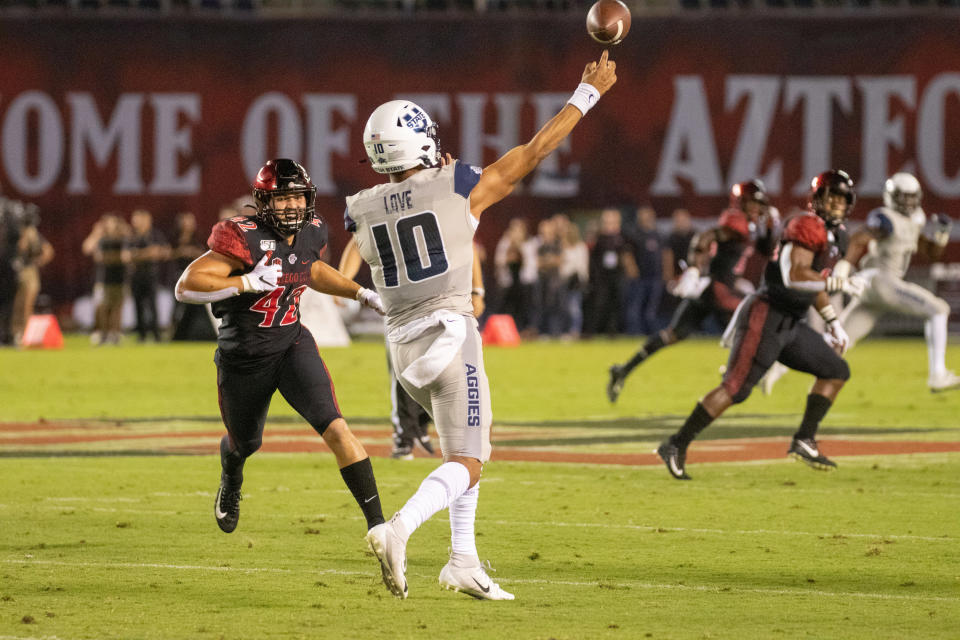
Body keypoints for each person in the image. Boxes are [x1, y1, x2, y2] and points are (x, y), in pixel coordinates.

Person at [350, 51, 616, 600]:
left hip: (401, 350)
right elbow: (535, 151)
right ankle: (398, 528)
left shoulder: (362, 207)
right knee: (470, 461)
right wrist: (586, 94)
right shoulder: (456, 183)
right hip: (449, 335)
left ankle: (463, 561)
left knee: (468, 445)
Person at [175, 158, 388, 536]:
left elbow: (311, 269)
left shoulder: (312, 231)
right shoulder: (240, 235)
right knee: (245, 443)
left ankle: (381, 529)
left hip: (291, 344)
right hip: (244, 358)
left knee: (337, 428)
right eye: (282, 198)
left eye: (298, 197)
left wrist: (360, 292)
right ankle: (232, 474)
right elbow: (186, 286)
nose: (292, 206)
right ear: (263, 202)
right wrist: (246, 283)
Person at [655, 170, 865, 480]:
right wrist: (839, 282)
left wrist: (833, 322)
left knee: (836, 370)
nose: (835, 205)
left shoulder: (838, 237)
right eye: (830, 198)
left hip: (790, 323)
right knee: (736, 389)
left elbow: (813, 284)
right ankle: (676, 444)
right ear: (817, 200)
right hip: (766, 315)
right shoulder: (805, 225)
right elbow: (796, 275)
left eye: (841, 200)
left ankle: (804, 439)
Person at [761, 173, 958, 394]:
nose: (908, 202)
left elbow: (930, 252)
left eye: (912, 197)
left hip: (875, 288)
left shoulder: (916, 218)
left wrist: (940, 235)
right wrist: (844, 267)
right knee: (939, 309)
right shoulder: (885, 218)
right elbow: (860, 238)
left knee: (838, 342)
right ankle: (938, 374)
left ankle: (777, 366)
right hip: (880, 280)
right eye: (903, 197)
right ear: (892, 197)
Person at [606, 180, 776, 402]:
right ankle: (742, 372)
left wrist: (771, 226)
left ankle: (623, 370)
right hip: (718, 289)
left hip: (708, 289)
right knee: (755, 320)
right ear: (741, 202)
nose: (756, 208)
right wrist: (694, 267)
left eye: (759, 204)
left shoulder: (752, 225)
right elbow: (705, 237)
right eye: (752, 203)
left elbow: (766, 249)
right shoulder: (736, 221)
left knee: (672, 335)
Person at [338, 236, 486, 459]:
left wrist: (477, 291)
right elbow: (358, 239)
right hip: (403, 303)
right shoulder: (386, 206)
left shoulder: (440, 205)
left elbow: (467, 241)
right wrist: (343, 282)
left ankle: (422, 427)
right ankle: (406, 435)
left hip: (439, 299)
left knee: (447, 366)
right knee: (405, 370)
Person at [82, 213, 130, 345]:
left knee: (117, 307)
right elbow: (87, 248)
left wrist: (107, 257)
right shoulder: (101, 239)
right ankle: (101, 333)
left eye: (111, 222)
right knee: (102, 307)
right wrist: (95, 233)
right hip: (102, 279)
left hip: (120, 278)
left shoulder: (122, 238)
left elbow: (125, 256)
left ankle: (114, 334)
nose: (109, 225)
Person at [11, 206, 54, 344]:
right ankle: (17, 332)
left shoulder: (31, 233)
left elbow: (48, 251)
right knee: (19, 303)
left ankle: (23, 333)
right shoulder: (23, 233)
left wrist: (38, 261)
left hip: (28, 270)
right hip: (22, 271)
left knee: (25, 304)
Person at [584, 208, 629, 337]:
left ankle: (612, 331)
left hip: (616, 277)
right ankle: (594, 331)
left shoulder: (623, 238)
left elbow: (626, 257)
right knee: (599, 304)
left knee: (615, 305)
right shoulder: (598, 239)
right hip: (601, 278)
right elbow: (592, 259)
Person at [623, 205, 665, 336]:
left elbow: (665, 254)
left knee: (651, 309)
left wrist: (666, 272)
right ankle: (634, 332)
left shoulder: (658, 234)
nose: (646, 218)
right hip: (639, 277)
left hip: (655, 277)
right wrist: (631, 269)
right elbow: (627, 253)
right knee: (635, 307)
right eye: (643, 215)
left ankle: (650, 333)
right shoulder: (634, 233)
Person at [128, 209, 170, 342]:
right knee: (138, 305)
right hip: (135, 276)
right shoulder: (131, 236)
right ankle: (141, 335)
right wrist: (148, 253)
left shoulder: (155, 235)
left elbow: (166, 251)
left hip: (151, 275)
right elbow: (127, 256)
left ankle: (156, 334)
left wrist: (140, 255)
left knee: (152, 306)